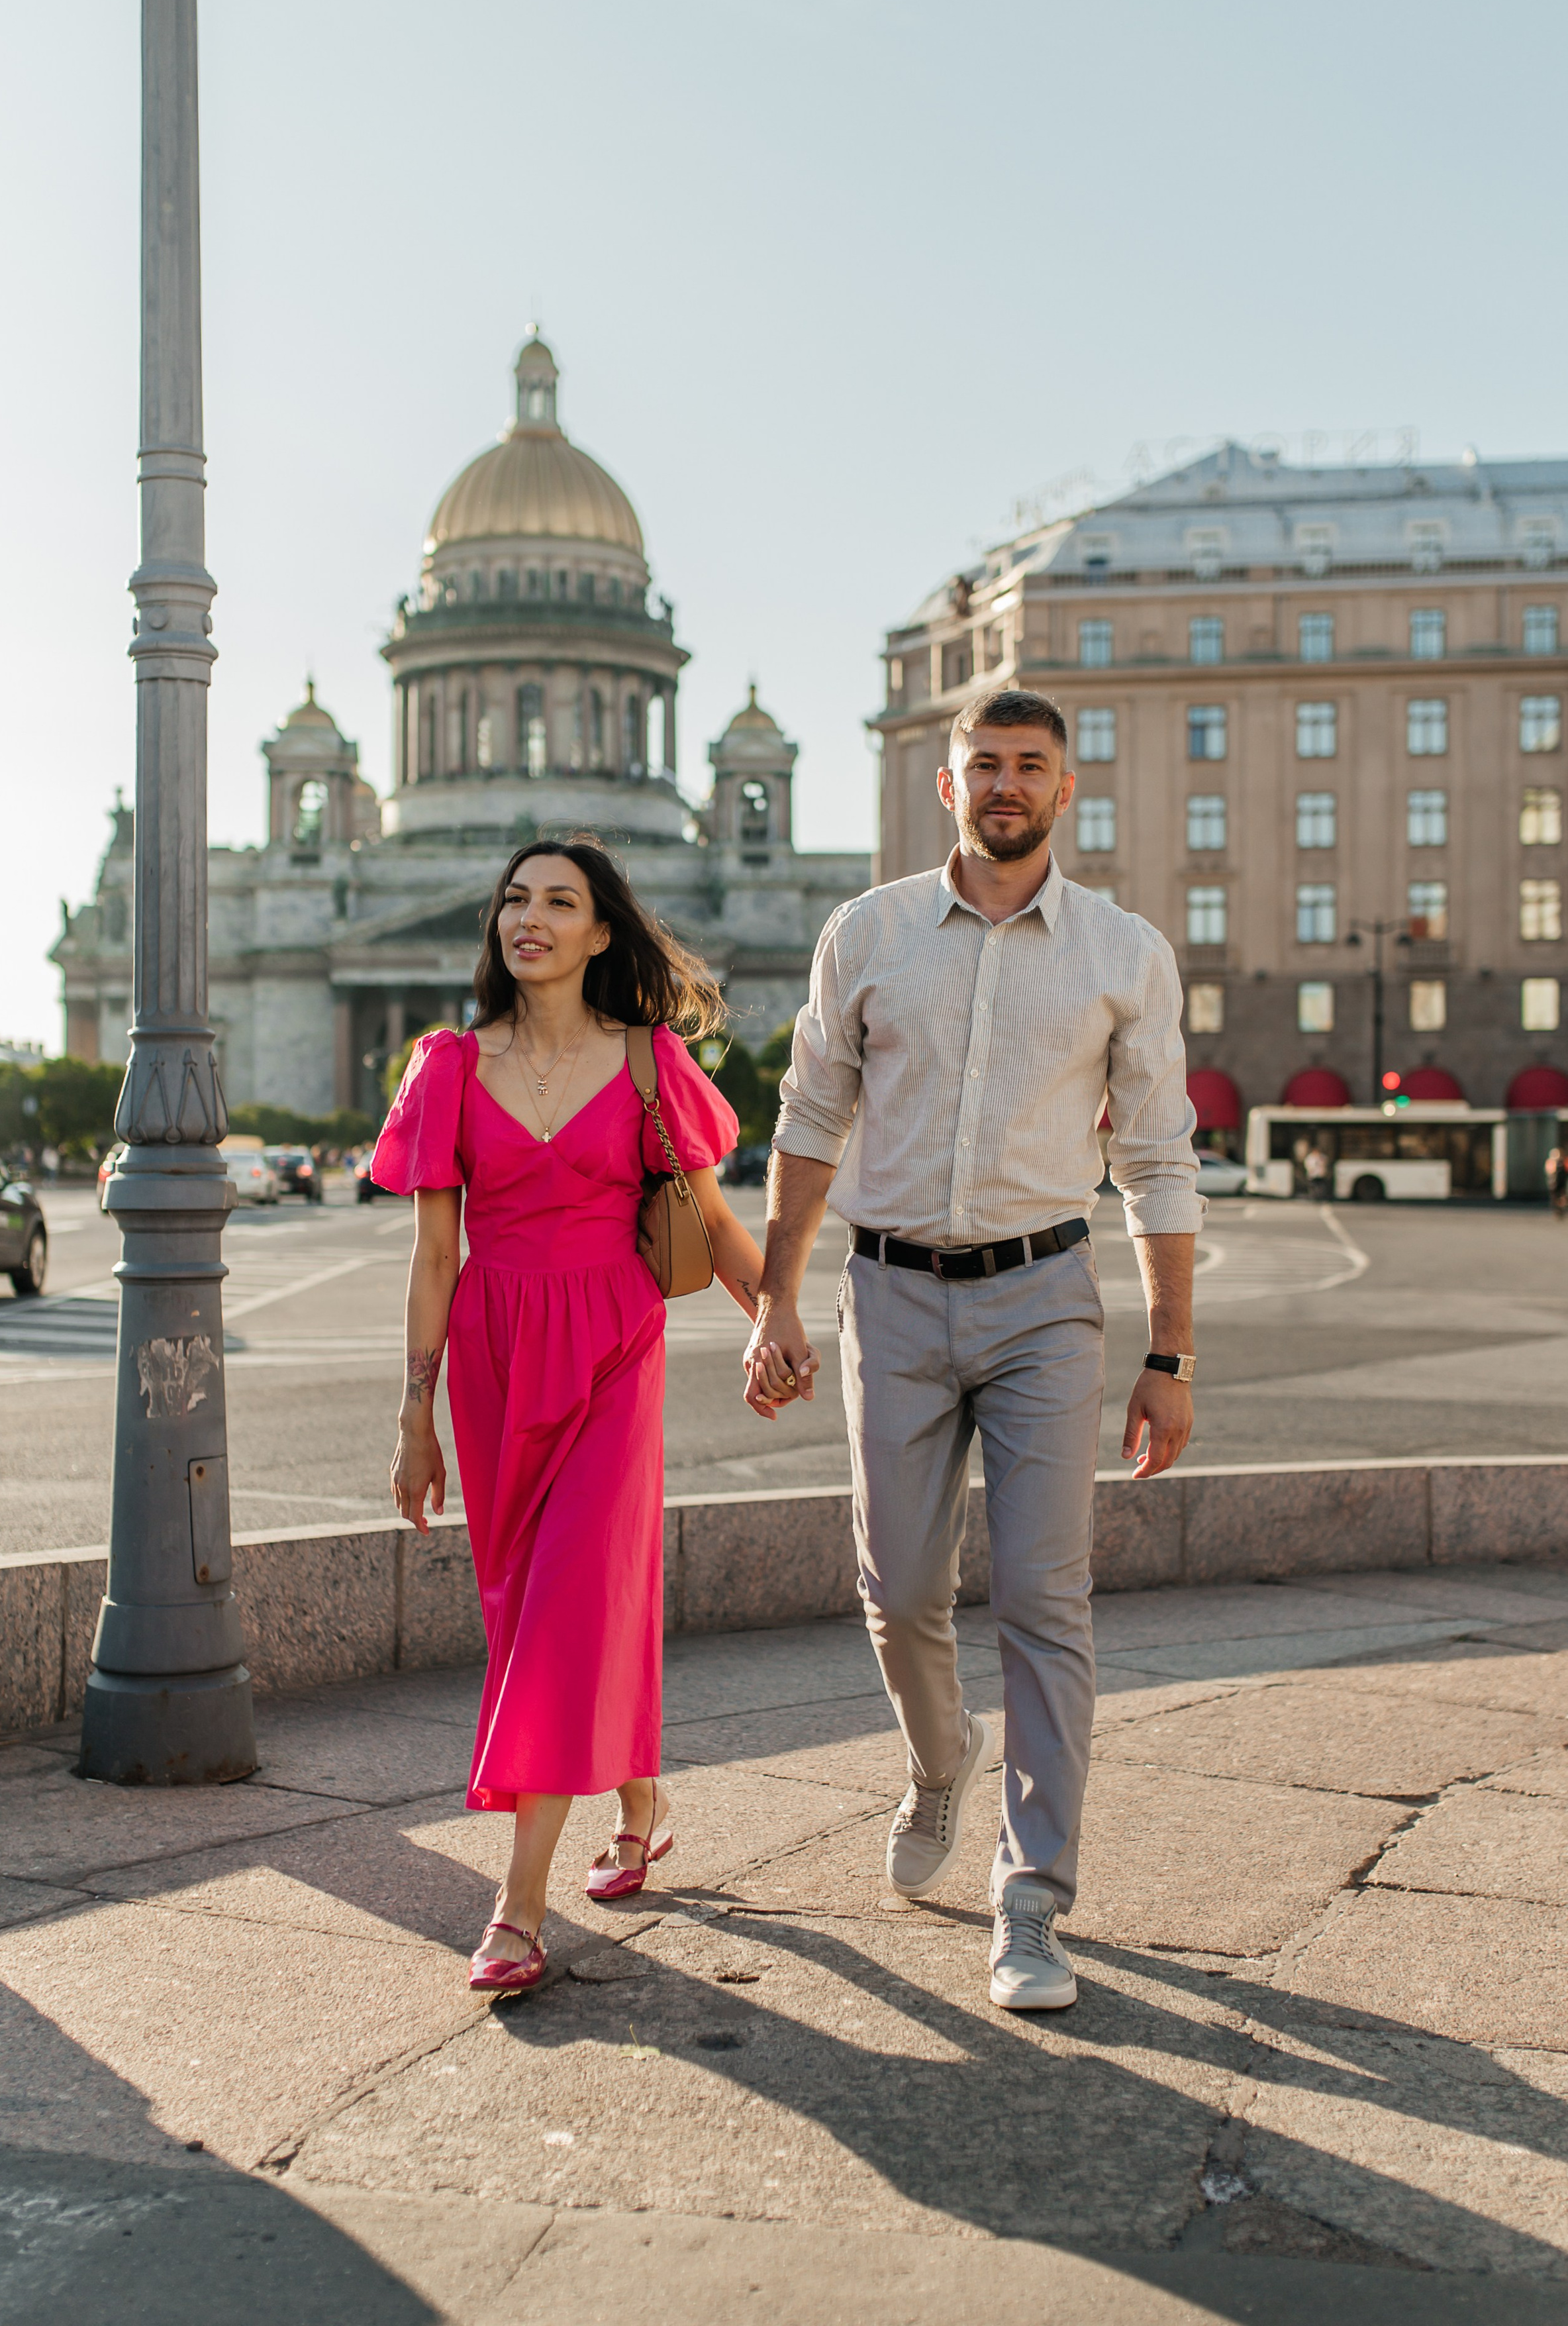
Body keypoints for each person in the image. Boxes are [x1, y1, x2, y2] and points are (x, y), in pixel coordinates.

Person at [744, 689, 1201, 2013]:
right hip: (887, 1295)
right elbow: (809, 1123)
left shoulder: (1121, 952)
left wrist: (1168, 1355)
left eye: (1030, 766)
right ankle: (941, 1767)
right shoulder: (868, 932)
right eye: (982, 765)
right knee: (896, 1593)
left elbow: (1157, 1159)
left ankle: (1031, 1900)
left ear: (1065, 791)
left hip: (1043, 1300)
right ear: (945, 787)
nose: (1005, 784)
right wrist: (775, 1301)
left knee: (1046, 1603)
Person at [376, 834, 803, 1994]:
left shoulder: (653, 1061)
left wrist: (775, 1320)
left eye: (559, 901)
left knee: (568, 1601)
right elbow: (432, 1255)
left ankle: (518, 1907)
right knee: (530, 1608)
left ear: (601, 931)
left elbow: (711, 1226)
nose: (531, 918)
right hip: (495, 1353)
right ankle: (642, 1796)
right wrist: (414, 1415)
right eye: (515, 899)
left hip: (615, 1344)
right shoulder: (448, 1066)